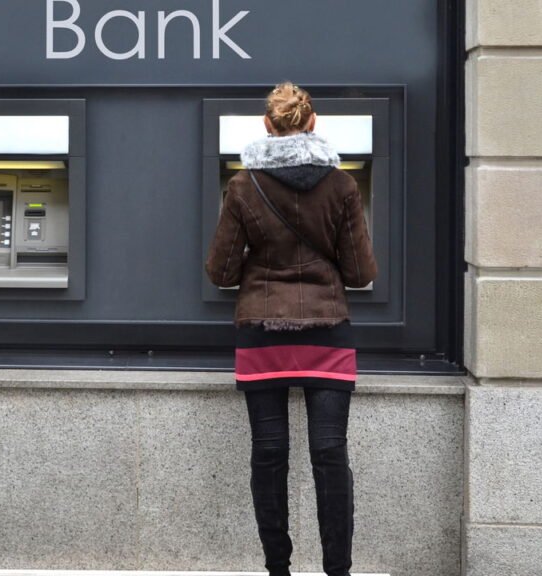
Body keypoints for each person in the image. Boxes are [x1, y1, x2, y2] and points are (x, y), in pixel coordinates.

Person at [205, 82, 378, 576]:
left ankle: (278, 569)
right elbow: (361, 273)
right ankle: (338, 570)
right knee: (329, 451)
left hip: (263, 330)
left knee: (269, 451)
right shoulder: (342, 186)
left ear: (267, 125)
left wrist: (258, 263)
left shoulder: (243, 187)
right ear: (313, 122)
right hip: (327, 330)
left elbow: (220, 272)